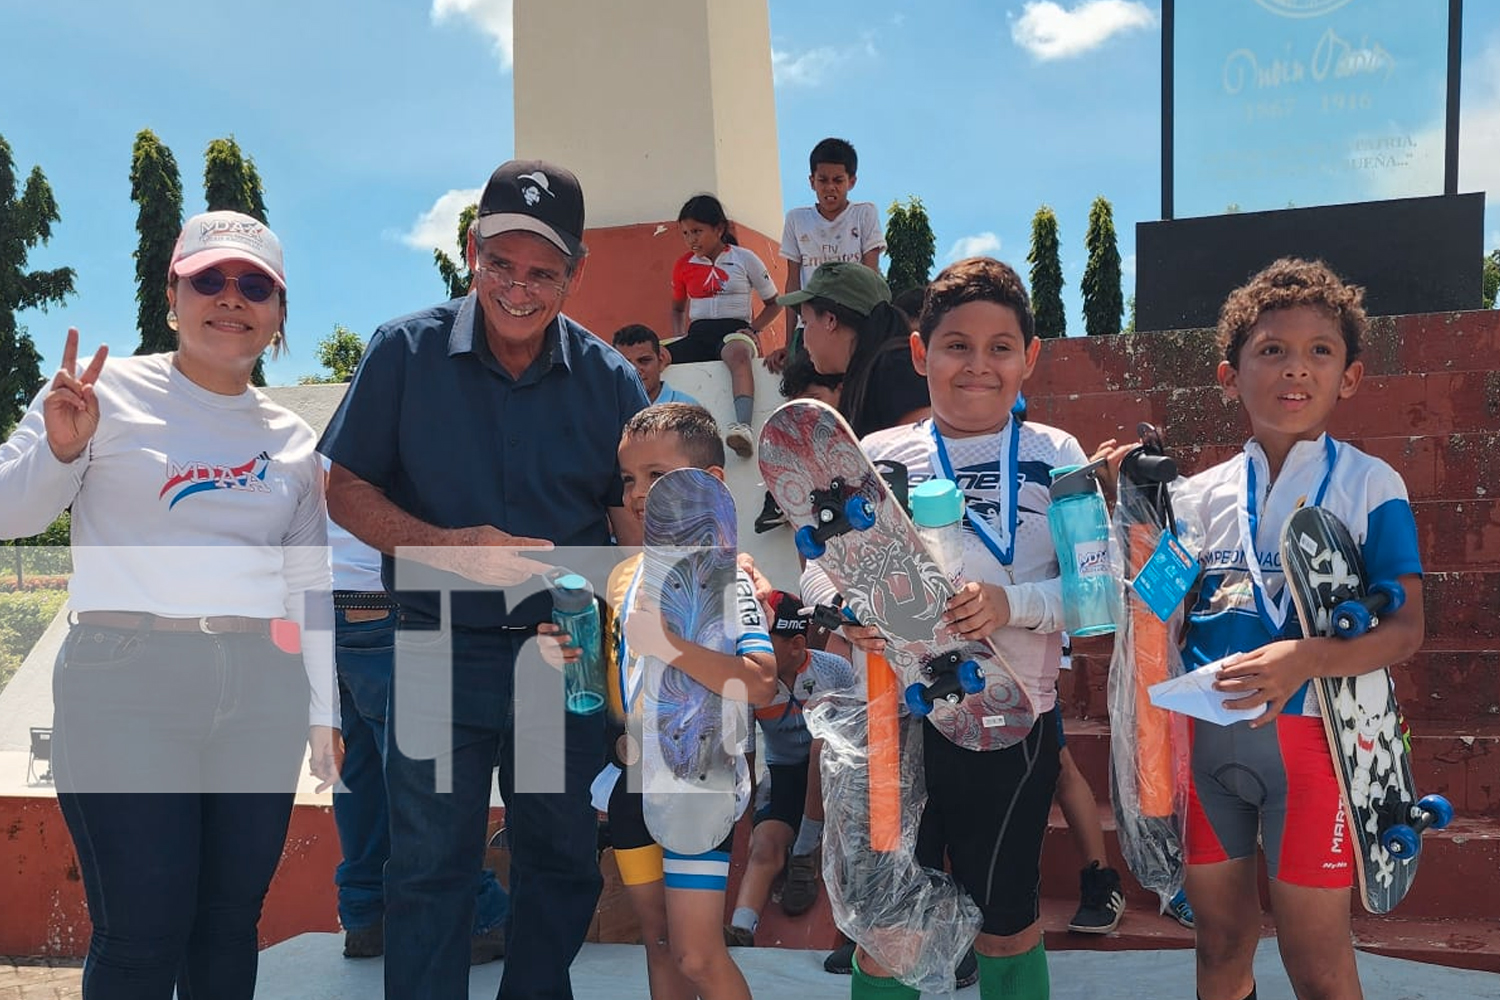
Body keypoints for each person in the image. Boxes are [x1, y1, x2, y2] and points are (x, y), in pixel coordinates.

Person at [319, 159, 650, 1000]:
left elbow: (630, 525)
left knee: (559, 859)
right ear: (472, 252)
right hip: (433, 649)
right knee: (429, 867)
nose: (519, 288)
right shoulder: (404, 350)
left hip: (559, 656)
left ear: (574, 275)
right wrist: (449, 546)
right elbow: (346, 490)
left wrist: (651, 599)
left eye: (543, 272)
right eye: (501, 263)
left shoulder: (609, 377)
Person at [0, 211, 339, 998]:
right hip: (126, 685)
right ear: (172, 295)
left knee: (227, 925)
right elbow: (11, 518)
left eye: (255, 285)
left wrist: (323, 712)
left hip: (263, 686)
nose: (232, 298)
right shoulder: (97, 391)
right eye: (209, 280)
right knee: (143, 931)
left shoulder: (291, 439)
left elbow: (308, 585)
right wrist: (61, 450)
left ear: (279, 312)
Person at [803, 256, 1090, 999]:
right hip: (896, 726)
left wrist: (1008, 604)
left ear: (1029, 358)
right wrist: (847, 608)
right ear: (921, 354)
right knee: (890, 921)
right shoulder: (877, 455)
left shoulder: (1057, 454)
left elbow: (1096, 598)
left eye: (1001, 348)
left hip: (1010, 724)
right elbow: (819, 567)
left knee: (1007, 919)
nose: (978, 365)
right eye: (957, 345)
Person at [1171, 258, 1424, 1000]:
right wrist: (1119, 529)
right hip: (1208, 749)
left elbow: (1406, 628)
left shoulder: (1369, 483)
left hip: (1318, 753)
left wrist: (1306, 658)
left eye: (1321, 351)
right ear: (1230, 374)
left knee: (1315, 966)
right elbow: (1152, 614)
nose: (1296, 369)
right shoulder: (1194, 495)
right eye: (1272, 350)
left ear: (1349, 377)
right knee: (1218, 947)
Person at [540, 403, 776, 1000]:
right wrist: (574, 659)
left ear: (710, 483)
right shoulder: (623, 577)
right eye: (629, 479)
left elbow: (760, 681)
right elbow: (624, 679)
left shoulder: (727, 574)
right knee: (659, 942)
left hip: (700, 778)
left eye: (656, 475)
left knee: (698, 954)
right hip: (628, 781)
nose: (639, 493)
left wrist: (668, 644)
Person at [326, 503, 510, 963]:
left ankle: (364, 913)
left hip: (332, 603)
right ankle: (480, 912)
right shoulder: (417, 434)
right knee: (426, 783)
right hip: (396, 604)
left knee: (362, 769)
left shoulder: (338, 445)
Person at [726, 591, 857, 945]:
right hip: (783, 775)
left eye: (761, 644)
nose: (749, 653)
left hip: (834, 777)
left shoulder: (833, 669)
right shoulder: (748, 684)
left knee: (821, 742)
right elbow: (746, 756)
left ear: (797, 645)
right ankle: (741, 928)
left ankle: (804, 853)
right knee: (765, 846)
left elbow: (855, 733)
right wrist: (752, 818)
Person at [668, 194, 780, 458]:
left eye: (697, 231)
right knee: (655, 355)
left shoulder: (744, 258)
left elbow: (775, 303)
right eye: (685, 233)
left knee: (738, 355)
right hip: (697, 333)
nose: (691, 239)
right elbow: (676, 308)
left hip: (735, 332)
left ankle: (742, 426)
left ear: (718, 229)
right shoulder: (683, 265)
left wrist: (754, 330)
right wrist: (678, 338)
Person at [765, 138, 886, 374]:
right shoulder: (797, 220)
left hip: (853, 323)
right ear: (812, 182)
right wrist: (789, 345)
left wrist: (874, 333)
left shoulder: (864, 214)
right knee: (806, 392)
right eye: (823, 180)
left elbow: (870, 277)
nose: (830, 187)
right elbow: (792, 283)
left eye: (838, 180)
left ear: (852, 181)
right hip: (811, 325)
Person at [778, 261, 930, 437]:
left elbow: (920, 454)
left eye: (805, 323)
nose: (804, 343)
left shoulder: (895, 367)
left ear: (830, 320)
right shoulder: (864, 376)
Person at [612, 323, 701, 407]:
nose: (636, 370)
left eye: (644, 360)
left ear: (661, 362)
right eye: (626, 364)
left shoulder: (686, 408)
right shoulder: (607, 410)